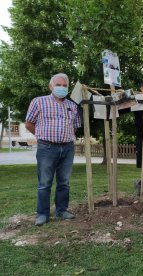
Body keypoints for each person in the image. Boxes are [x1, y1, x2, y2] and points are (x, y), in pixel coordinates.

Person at [25, 73, 81, 226]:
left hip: (67, 148)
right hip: (46, 148)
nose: (62, 88)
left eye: (65, 85)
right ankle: (43, 214)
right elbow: (29, 123)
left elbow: (75, 127)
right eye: (58, 85)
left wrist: (65, 138)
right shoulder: (38, 102)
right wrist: (42, 136)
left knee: (64, 182)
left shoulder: (72, 106)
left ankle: (62, 210)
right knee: (44, 182)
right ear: (51, 86)